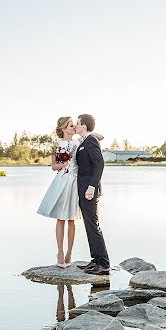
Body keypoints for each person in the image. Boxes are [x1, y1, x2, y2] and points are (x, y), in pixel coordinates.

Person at [37, 116, 103, 268]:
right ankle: (60, 252)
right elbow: (53, 166)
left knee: (71, 219)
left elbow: (100, 137)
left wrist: (87, 132)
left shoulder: (80, 142)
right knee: (60, 219)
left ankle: (69, 253)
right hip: (62, 182)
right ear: (62, 129)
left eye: (75, 124)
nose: (74, 127)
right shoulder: (56, 145)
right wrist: (63, 163)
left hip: (75, 183)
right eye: (70, 125)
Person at [75, 114, 110, 275]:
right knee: (89, 225)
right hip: (83, 188)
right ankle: (95, 260)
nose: (75, 125)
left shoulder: (91, 141)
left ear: (84, 126)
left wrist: (92, 187)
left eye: (78, 123)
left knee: (93, 225)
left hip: (89, 189)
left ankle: (103, 264)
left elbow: (99, 164)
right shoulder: (85, 141)